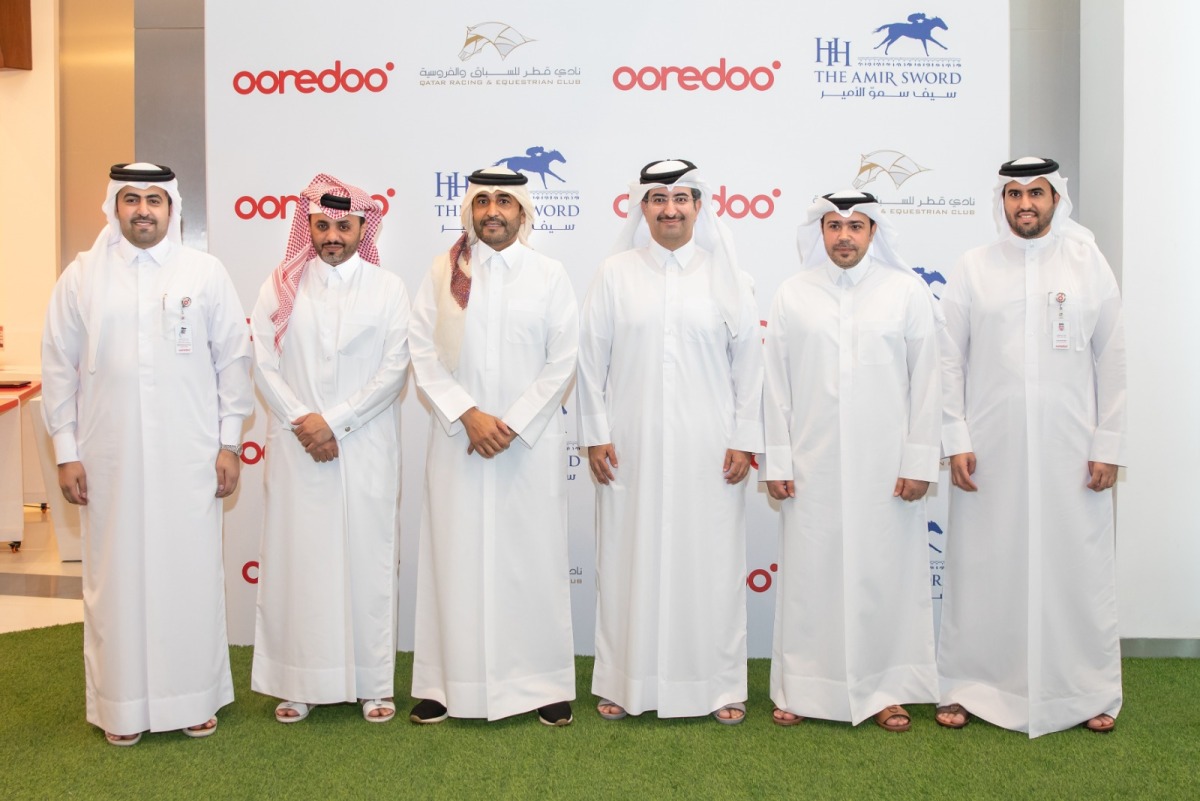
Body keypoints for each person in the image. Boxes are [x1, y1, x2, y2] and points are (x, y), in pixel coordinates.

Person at [41, 162, 253, 745]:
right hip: (107, 458)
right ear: (114, 205)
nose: (142, 210)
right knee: (116, 579)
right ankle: (121, 707)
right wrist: (66, 450)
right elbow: (57, 367)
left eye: (153, 200)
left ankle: (193, 700)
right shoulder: (82, 278)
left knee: (188, 576)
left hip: (190, 455)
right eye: (131, 199)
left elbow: (233, 362)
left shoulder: (204, 273)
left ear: (171, 208)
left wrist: (229, 442)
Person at [937, 157, 1127, 737]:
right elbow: (949, 359)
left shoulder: (1088, 263)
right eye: (1014, 193)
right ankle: (969, 685)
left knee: (1077, 565)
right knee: (983, 564)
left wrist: (1109, 443)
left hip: (1072, 448)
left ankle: (1087, 689)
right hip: (989, 449)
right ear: (1002, 201)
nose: (1025, 203)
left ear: (1055, 199)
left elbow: (1113, 356)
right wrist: (956, 437)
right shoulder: (974, 267)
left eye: (1036, 193)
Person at [577, 159, 764, 724]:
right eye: (658, 199)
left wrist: (744, 438)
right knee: (628, 559)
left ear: (698, 207)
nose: (670, 209)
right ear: (643, 209)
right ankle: (623, 682)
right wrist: (594, 433)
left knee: (709, 563)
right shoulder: (615, 273)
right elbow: (590, 361)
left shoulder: (728, 274)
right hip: (629, 444)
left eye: (681, 198)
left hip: (711, 447)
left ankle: (718, 685)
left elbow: (749, 367)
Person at [762, 191, 942, 732]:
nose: (844, 236)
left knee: (886, 575)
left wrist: (918, 460)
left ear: (873, 232)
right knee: (810, 576)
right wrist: (778, 460)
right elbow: (774, 386)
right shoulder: (794, 294)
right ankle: (802, 689)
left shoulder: (906, 293)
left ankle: (889, 690)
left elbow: (927, 381)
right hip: (811, 463)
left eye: (856, 226)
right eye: (834, 226)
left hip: (886, 466)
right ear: (820, 232)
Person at [408, 167, 577, 727]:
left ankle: (544, 684)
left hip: (525, 447)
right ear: (469, 212)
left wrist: (512, 422)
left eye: (504, 200)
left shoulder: (549, 275)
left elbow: (563, 359)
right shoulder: (444, 272)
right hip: (460, 441)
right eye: (482, 201)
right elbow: (422, 352)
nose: (492, 211)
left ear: (523, 212)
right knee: (452, 559)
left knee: (532, 562)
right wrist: (468, 415)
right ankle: (442, 684)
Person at [249, 175, 410, 725]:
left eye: (344, 225)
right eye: (322, 224)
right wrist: (303, 421)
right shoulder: (279, 287)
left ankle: (374, 685)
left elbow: (394, 370)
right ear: (309, 227)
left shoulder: (388, 289)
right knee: (301, 561)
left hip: (364, 446)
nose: (333, 235)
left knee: (366, 560)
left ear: (363, 228)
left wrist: (334, 423)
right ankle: (298, 682)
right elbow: (263, 363)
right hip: (298, 449)